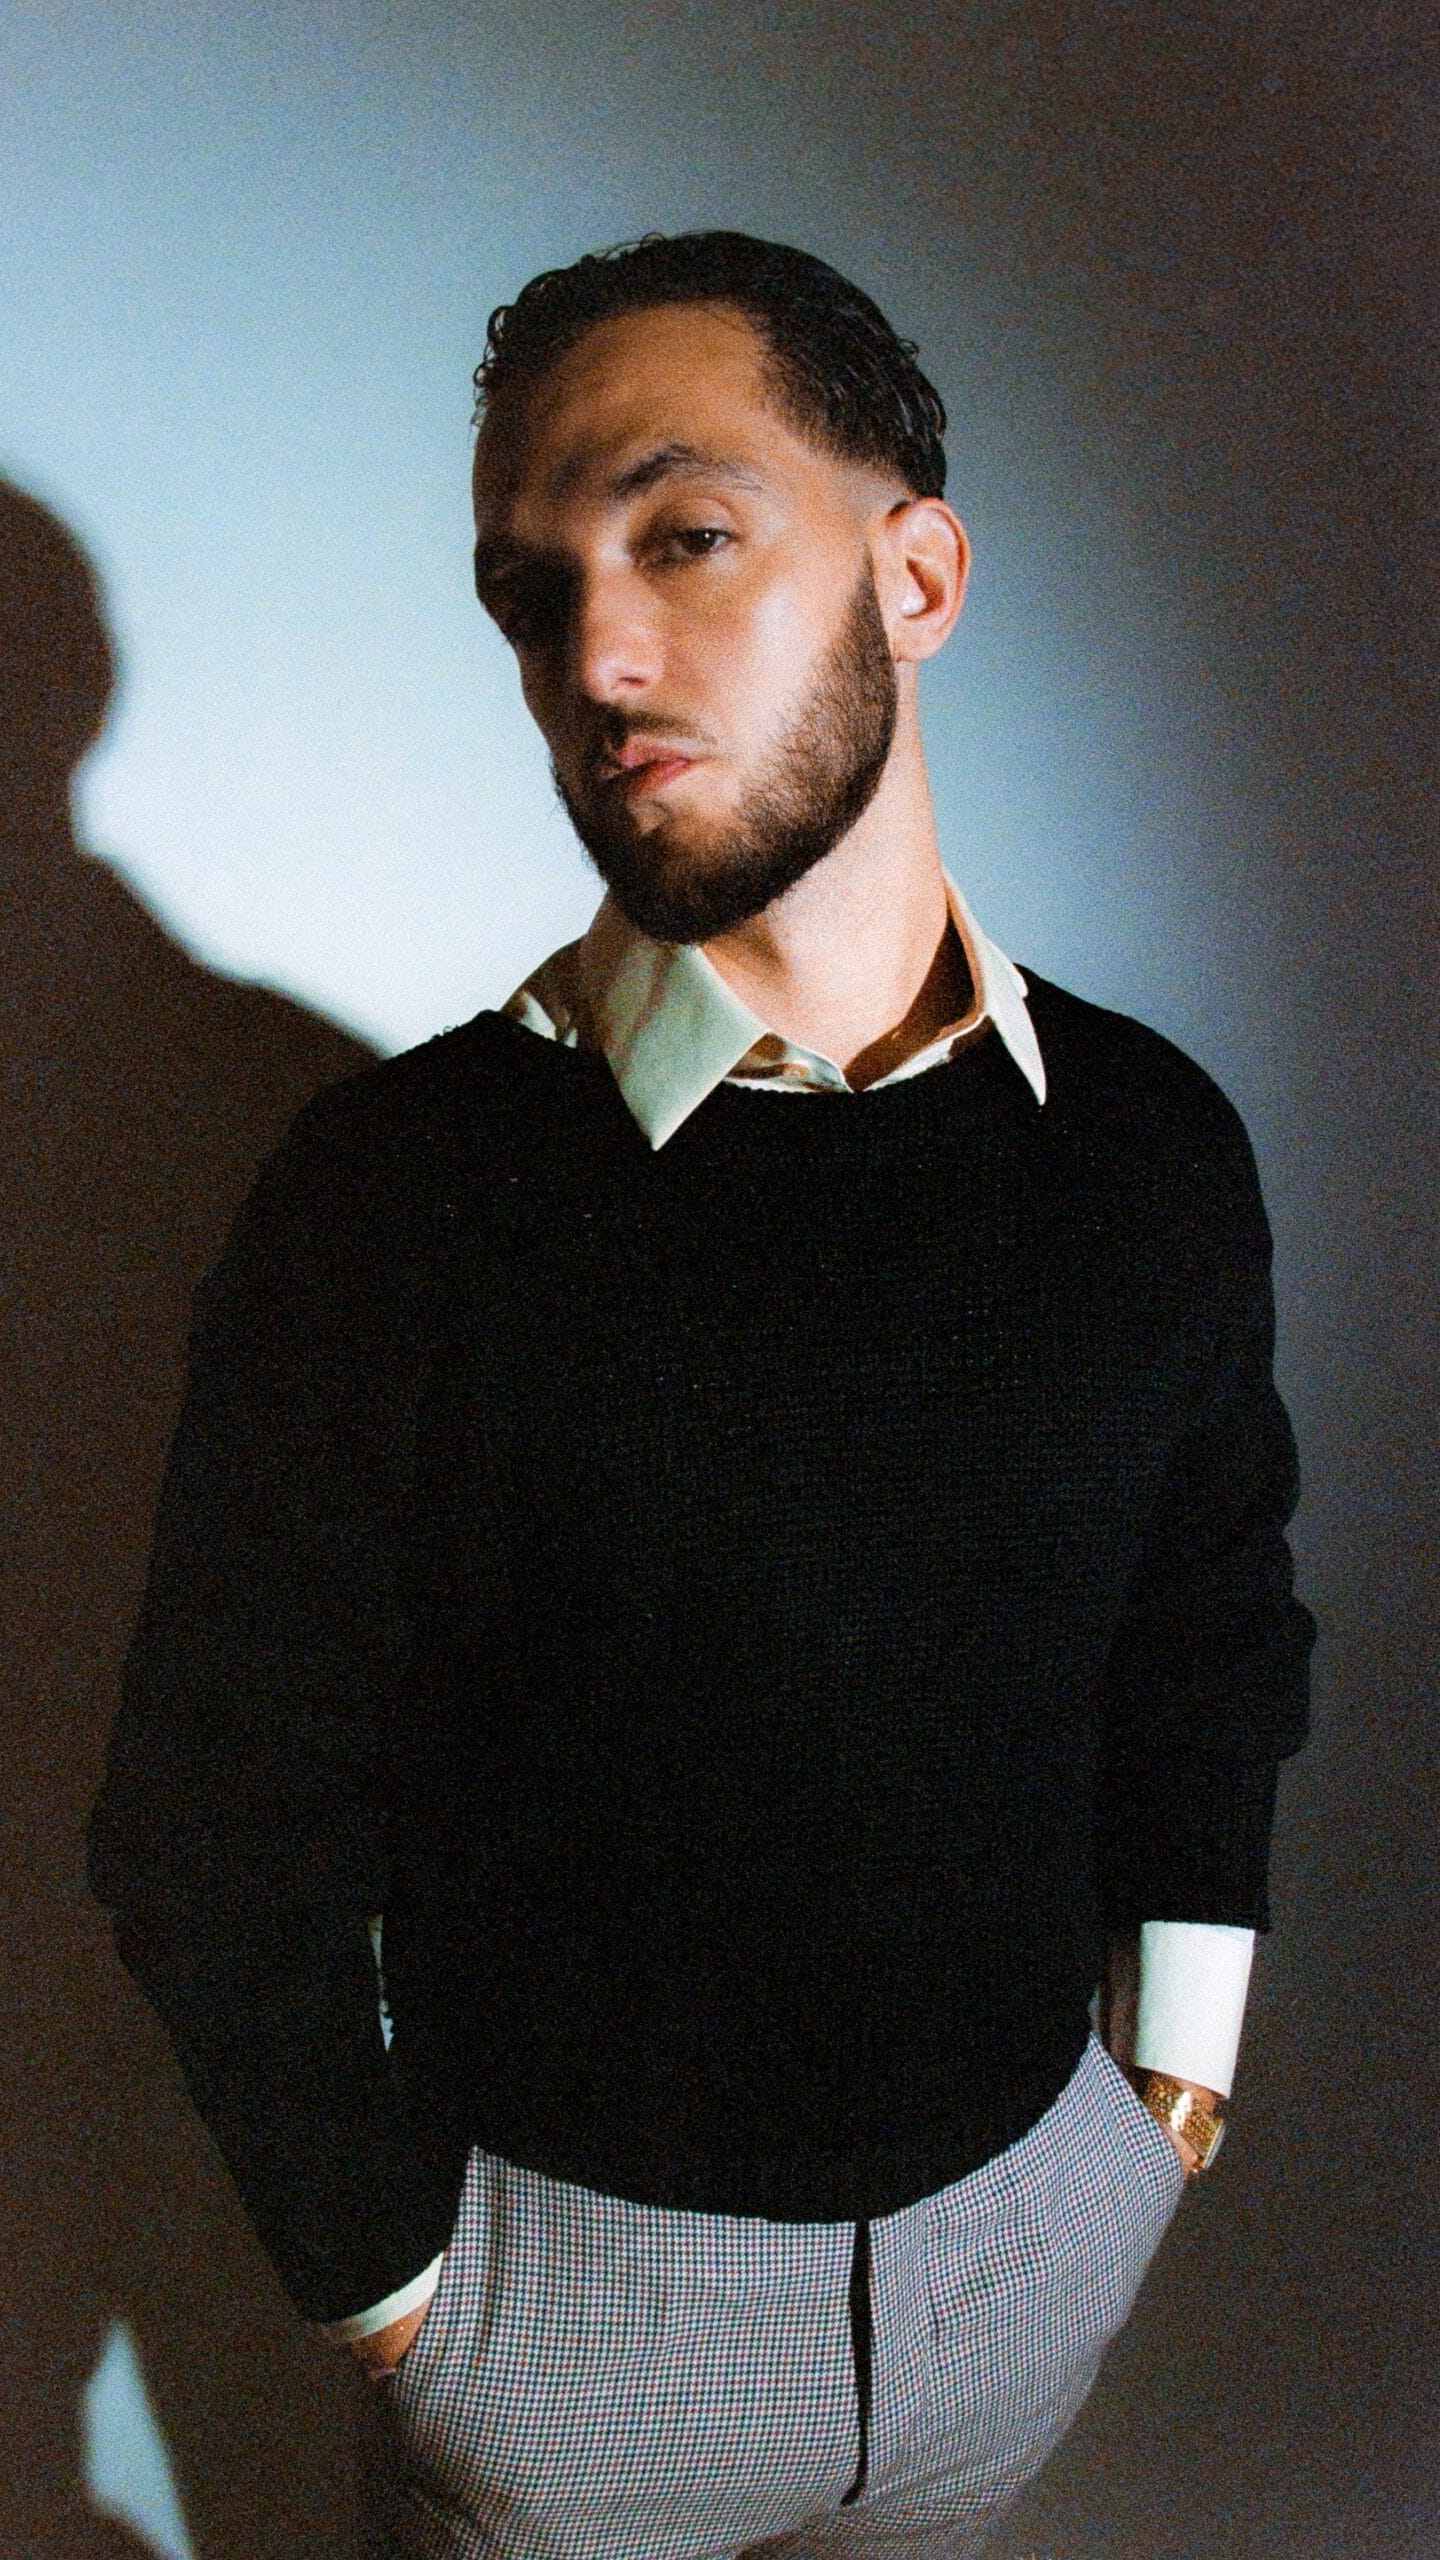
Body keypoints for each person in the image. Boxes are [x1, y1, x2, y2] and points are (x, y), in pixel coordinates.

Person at [86, 232, 1316, 2558]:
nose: (597, 660)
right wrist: (404, 2300)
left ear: (914, 573)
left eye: (686, 534)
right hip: (566, 2323)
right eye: (529, 593)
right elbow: (212, 1810)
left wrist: (1171, 2092)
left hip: (1022, 2253)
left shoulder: (1148, 1144)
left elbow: (1213, 1632)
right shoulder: (395, 1191)